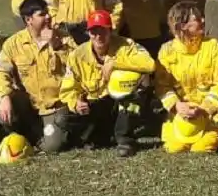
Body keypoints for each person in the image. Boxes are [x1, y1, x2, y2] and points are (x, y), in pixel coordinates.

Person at [58, 9, 156, 157]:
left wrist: (116, 63)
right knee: (63, 118)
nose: (98, 36)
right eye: (94, 32)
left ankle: (125, 140)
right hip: (95, 103)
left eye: (103, 31)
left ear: (110, 30)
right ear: (88, 33)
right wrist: (76, 103)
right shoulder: (77, 55)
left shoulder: (126, 45)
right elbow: (68, 88)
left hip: (117, 101)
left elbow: (149, 64)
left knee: (140, 87)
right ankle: (100, 137)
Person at [0, 0, 72, 153]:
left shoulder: (63, 38)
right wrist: (5, 97)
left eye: (48, 12)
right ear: (28, 20)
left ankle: (37, 139)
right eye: (42, 14)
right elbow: (0, 72)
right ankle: (18, 135)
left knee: (52, 147)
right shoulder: (14, 43)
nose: (48, 17)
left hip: (54, 106)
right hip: (29, 104)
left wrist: (57, 46)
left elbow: (77, 66)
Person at [156, 1, 218, 153]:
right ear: (182, 26)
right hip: (181, 113)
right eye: (197, 19)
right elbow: (162, 86)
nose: (203, 20)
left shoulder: (213, 46)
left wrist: (203, 109)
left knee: (202, 149)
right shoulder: (166, 51)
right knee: (174, 148)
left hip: (210, 114)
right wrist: (177, 106)